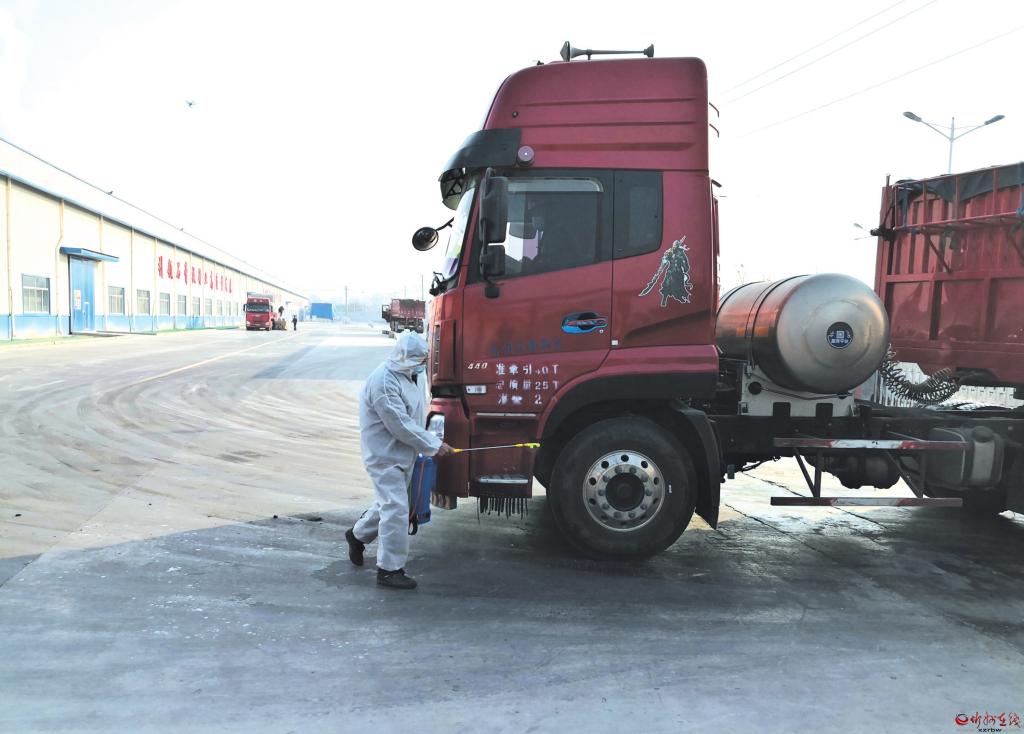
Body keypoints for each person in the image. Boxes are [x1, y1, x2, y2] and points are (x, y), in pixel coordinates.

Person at [345, 332, 453, 589]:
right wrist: (433, 445)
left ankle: (357, 535)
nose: (422, 364)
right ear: (405, 357)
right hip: (384, 455)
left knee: (390, 503)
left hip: (404, 452)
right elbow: (400, 425)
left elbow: (415, 414)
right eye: (419, 360)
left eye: (424, 359)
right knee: (396, 509)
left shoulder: (411, 375)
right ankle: (389, 569)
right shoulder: (384, 383)